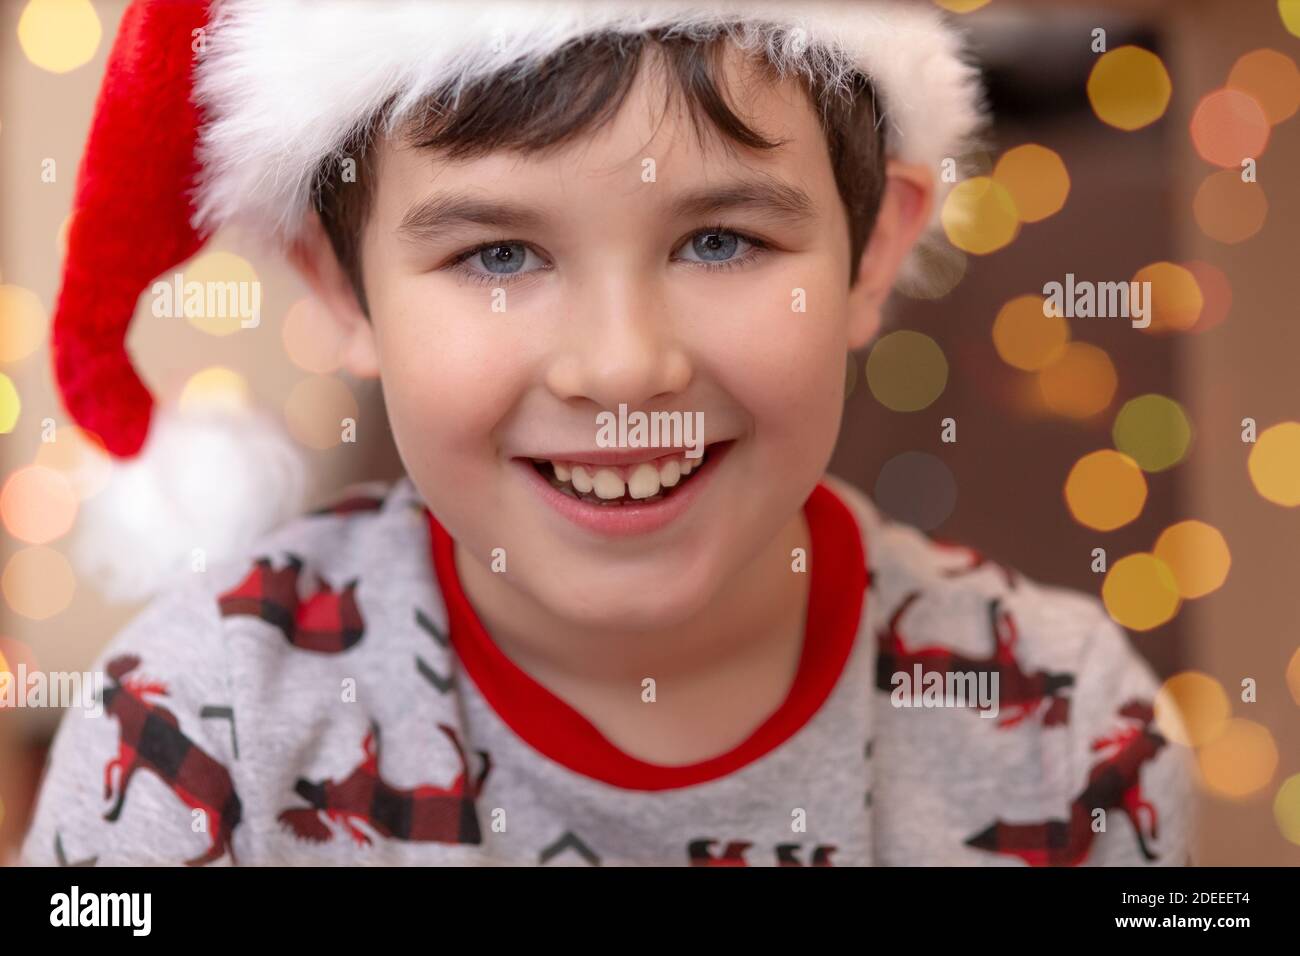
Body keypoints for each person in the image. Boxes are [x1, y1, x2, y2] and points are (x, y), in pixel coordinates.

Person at [22, 0, 1194, 866]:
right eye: (497, 254)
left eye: (721, 239)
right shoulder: (195, 726)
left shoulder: (1068, 728)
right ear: (339, 286)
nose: (624, 363)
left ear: (872, 248)